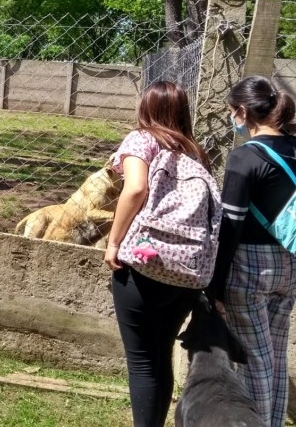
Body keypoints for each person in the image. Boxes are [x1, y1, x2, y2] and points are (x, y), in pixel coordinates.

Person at [103, 80, 211, 427]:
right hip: (188, 274)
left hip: (144, 268)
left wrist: (114, 242)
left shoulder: (142, 139)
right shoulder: (195, 152)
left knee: (142, 363)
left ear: (145, 108)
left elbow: (136, 189)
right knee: (160, 357)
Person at [208, 75, 296, 427]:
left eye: (231, 112)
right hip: (289, 263)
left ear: (243, 111)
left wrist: (214, 285)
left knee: (253, 362)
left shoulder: (244, 157)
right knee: (275, 357)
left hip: (250, 266)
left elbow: (230, 226)